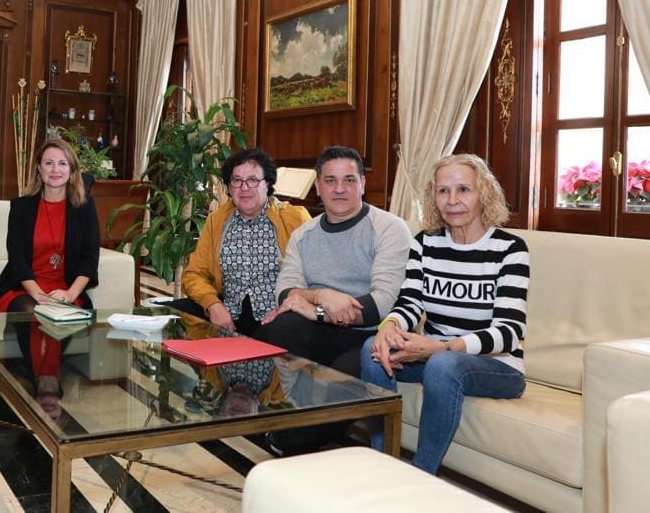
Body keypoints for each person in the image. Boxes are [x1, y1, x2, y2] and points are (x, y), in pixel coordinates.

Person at [360, 153, 528, 474]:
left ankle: (422, 475)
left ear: (484, 194)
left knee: (443, 363)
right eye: (443, 191)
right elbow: (410, 302)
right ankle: (382, 463)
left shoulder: (510, 249)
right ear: (433, 197)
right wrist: (390, 326)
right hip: (436, 357)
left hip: (498, 367)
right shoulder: (425, 243)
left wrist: (441, 347)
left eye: (464, 189)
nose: (452, 200)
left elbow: (509, 332)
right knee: (373, 348)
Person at [261, 145, 411, 453]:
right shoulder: (304, 235)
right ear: (318, 186)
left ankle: (298, 437)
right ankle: (293, 413)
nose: (339, 189)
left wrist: (312, 309)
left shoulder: (389, 229)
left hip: (370, 335)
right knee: (279, 327)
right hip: (321, 331)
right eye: (330, 180)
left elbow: (380, 304)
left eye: (349, 180)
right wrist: (320, 295)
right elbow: (286, 291)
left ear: (363, 184)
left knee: (342, 374)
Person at [0, 138, 101, 407]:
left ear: (72, 170)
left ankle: (34, 375)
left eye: (62, 163)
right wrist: (37, 292)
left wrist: (70, 293)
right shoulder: (21, 207)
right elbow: (16, 256)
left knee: (59, 312)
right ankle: (48, 380)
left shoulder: (84, 207)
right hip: (23, 286)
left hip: (65, 287)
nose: (55, 169)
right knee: (35, 310)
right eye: (49, 163)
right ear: (39, 169)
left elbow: (90, 258)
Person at [171, 148, 310, 337]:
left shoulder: (294, 218)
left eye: (252, 180)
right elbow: (194, 274)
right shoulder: (217, 220)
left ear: (267, 183)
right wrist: (213, 304)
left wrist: (289, 306)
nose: (244, 188)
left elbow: (315, 275)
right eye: (236, 180)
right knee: (172, 314)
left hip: (277, 316)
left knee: (283, 330)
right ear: (229, 187)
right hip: (229, 313)